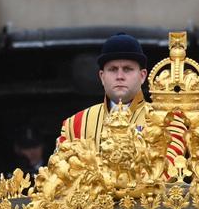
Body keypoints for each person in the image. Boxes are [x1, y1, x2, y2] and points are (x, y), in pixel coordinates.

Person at [58, 32, 184, 173]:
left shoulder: (169, 121)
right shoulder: (75, 124)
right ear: (102, 76)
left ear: (142, 76)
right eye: (112, 69)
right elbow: (62, 175)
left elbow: (169, 173)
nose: (119, 76)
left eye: (127, 69)